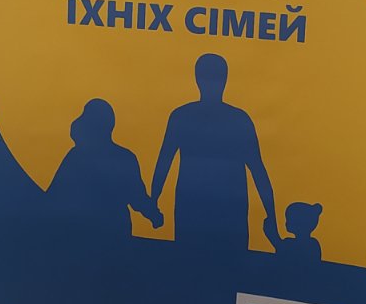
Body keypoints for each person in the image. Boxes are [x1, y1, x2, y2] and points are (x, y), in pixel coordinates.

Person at [150, 54, 277, 253]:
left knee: (192, 262)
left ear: (197, 79)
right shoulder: (239, 119)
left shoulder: (182, 116)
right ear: (225, 79)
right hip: (218, 210)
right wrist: (271, 216)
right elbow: (258, 170)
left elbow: (163, 163)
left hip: (200, 208)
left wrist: (153, 202)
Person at [48, 98, 162, 250]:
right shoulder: (123, 157)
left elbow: (54, 194)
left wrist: (153, 214)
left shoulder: (76, 157)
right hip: (104, 229)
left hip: (96, 231)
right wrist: (154, 215)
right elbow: (137, 197)